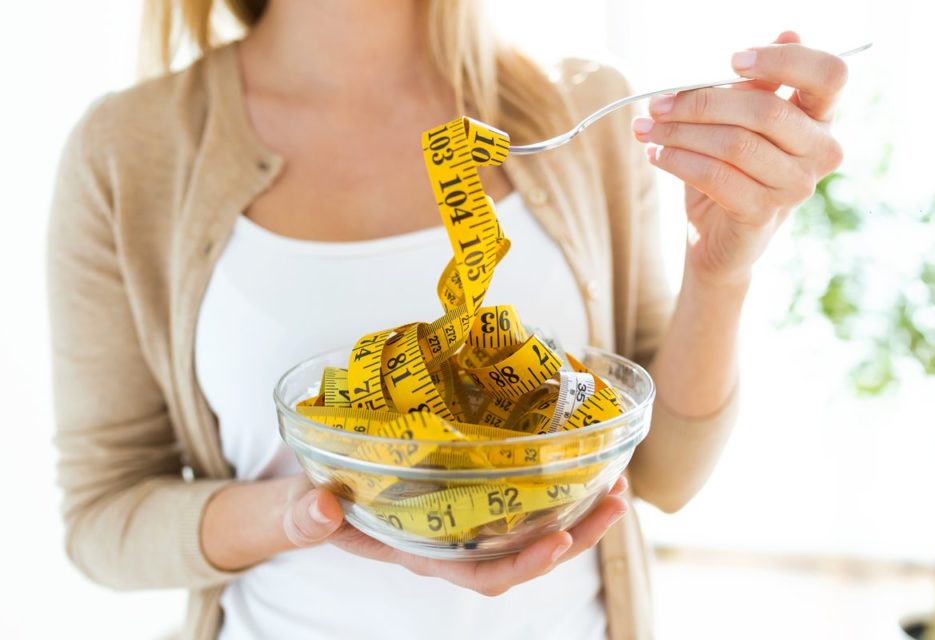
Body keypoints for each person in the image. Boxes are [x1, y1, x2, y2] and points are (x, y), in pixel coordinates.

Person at [47, 1, 847, 638]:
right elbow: (102, 519)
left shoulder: (587, 109)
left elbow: (664, 473)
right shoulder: (126, 151)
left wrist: (721, 266)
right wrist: (306, 513)